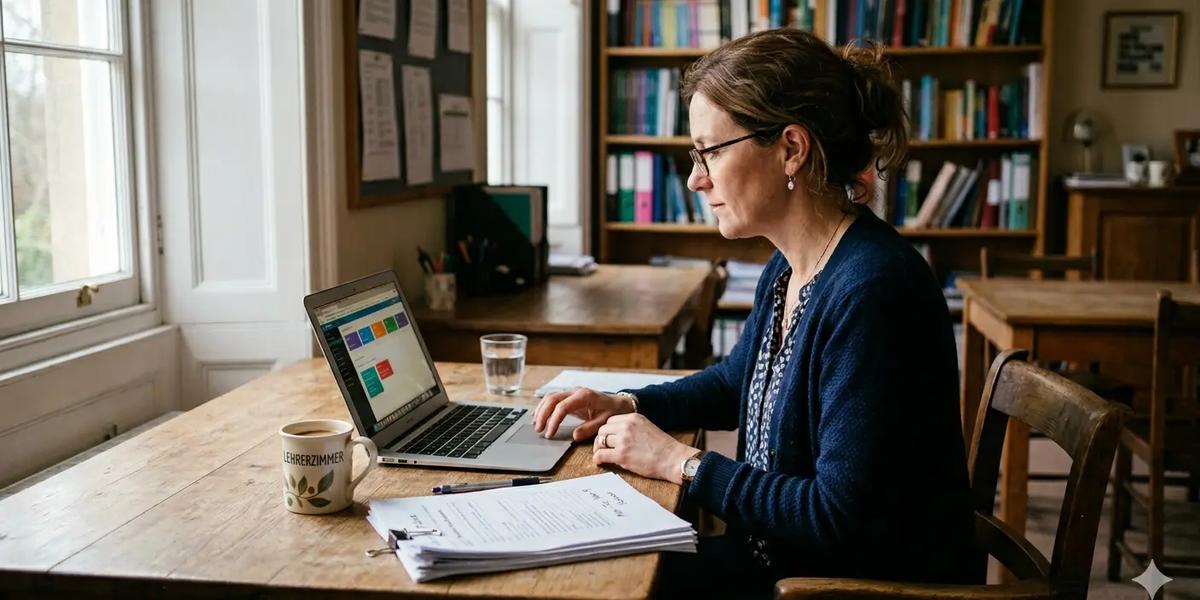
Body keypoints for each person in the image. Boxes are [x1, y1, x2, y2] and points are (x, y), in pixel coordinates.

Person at [534, 29, 974, 598]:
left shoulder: (875, 292)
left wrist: (681, 463)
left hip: (838, 587)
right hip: (780, 561)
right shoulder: (792, 265)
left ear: (791, 148)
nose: (696, 177)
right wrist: (630, 402)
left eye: (709, 151)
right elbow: (736, 381)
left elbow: (835, 516)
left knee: (590, 587)